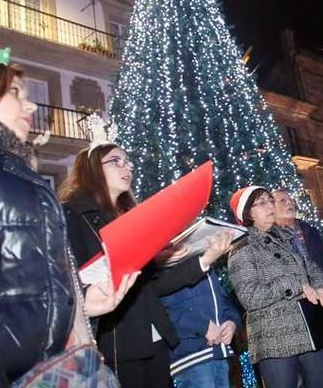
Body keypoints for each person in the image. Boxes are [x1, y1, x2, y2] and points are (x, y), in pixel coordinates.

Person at [0, 60, 134, 386]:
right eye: (14, 91)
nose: (30, 105)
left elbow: (5, 279)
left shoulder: (13, 173)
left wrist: (79, 303)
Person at [60, 143, 232, 387]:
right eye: (116, 161)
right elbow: (69, 281)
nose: (127, 167)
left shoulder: (131, 217)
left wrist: (206, 259)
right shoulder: (72, 214)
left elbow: (152, 287)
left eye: (128, 162)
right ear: (91, 168)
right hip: (116, 341)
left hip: (154, 339)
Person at [226, 186, 323, 388]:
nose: (269, 205)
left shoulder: (288, 236)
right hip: (274, 340)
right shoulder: (242, 248)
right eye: (261, 203)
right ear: (247, 213)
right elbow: (249, 297)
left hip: (311, 331)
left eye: (270, 200)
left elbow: (312, 268)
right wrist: (294, 284)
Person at [273, 187, 323, 385]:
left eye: (290, 199)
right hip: (299, 314)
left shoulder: (309, 230)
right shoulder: (272, 240)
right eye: (282, 200)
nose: (289, 203)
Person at [158, 247, 243, 387]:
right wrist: (203, 327)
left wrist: (231, 322)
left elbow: (222, 298)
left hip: (218, 353)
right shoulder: (164, 260)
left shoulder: (202, 257)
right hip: (190, 357)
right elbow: (164, 311)